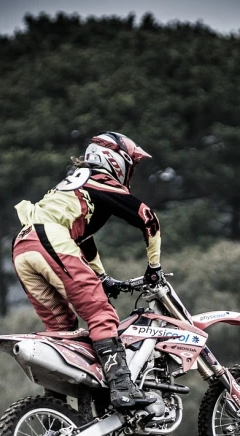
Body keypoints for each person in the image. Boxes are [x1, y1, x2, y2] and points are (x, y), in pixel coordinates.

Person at [12, 132, 163, 410]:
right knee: (101, 313)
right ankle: (122, 388)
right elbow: (147, 218)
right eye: (131, 165)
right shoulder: (100, 180)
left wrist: (102, 277)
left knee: (62, 328)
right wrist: (154, 268)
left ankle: (54, 408)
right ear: (115, 159)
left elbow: (82, 239)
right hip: (49, 239)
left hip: (23, 247)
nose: (130, 172)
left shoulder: (74, 185)